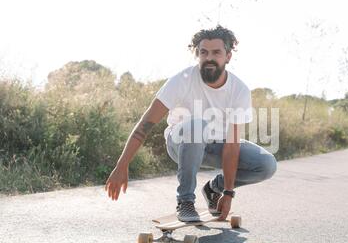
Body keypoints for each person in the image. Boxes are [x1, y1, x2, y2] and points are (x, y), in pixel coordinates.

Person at [105, 25, 277, 222]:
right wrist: (122, 164)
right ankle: (185, 202)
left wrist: (228, 193)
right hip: (179, 144)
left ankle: (214, 189)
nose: (209, 58)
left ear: (228, 56)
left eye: (216, 52)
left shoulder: (239, 90)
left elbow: (232, 145)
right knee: (198, 125)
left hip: (216, 146)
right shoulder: (182, 80)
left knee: (266, 164)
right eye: (203, 52)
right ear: (198, 55)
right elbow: (146, 123)